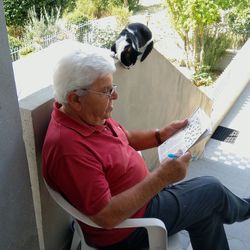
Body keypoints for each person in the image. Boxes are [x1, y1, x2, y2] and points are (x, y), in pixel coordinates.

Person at [42, 43, 250, 250]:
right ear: (75, 99)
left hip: (142, 201)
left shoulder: (87, 117)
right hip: (126, 229)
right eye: (106, 91)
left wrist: (160, 135)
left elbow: (127, 138)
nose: (115, 96)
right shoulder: (68, 149)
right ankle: (244, 209)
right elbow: (107, 216)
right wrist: (162, 177)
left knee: (206, 211)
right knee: (210, 189)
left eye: (113, 88)